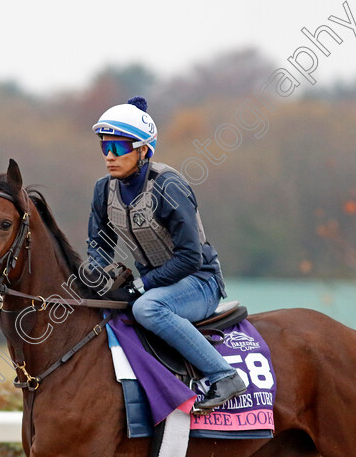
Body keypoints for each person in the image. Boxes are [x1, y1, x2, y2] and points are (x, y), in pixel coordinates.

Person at [86, 96, 246, 411]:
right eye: (105, 147)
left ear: (144, 149)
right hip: (157, 284)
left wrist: (144, 285)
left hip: (199, 282)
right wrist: (99, 275)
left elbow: (190, 259)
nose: (109, 157)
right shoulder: (103, 190)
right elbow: (98, 244)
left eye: (118, 148)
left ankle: (224, 376)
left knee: (147, 309)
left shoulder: (168, 187)